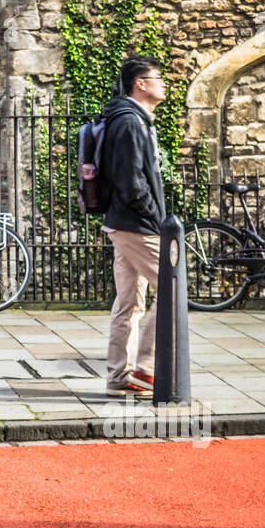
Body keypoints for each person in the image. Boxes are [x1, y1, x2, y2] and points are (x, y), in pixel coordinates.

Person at [100, 54, 168, 397]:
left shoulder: (130, 118)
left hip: (121, 222)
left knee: (129, 302)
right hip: (135, 224)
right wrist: (156, 219)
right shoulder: (130, 122)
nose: (164, 82)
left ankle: (118, 375)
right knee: (173, 288)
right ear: (140, 83)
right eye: (158, 77)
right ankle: (145, 368)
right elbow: (130, 180)